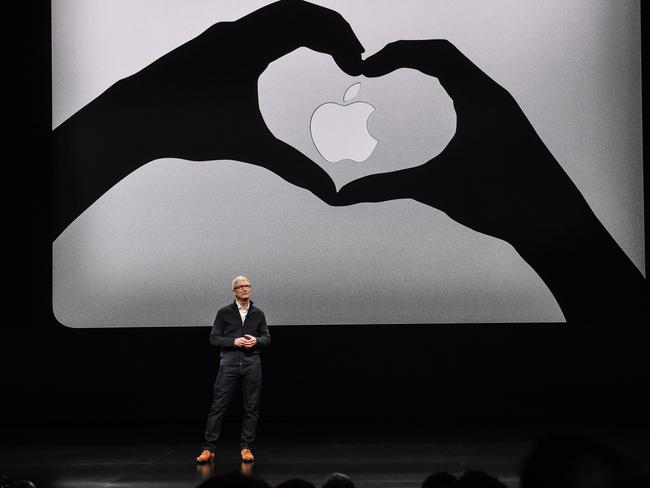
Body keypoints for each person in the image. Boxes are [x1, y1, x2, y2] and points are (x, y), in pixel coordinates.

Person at [196, 276, 271, 464]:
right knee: (218, 406)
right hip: (228, 364)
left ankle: (247, 447)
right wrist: (234, 342)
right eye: (241, 287)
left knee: (251, 407)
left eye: (248, 286)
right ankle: (208, 449)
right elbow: (214, 338)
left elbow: (267, 338)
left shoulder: (258, 313)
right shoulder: (224, 313)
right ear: (234, 291)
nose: (245, 289)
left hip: (252, 364)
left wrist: (256, 341)